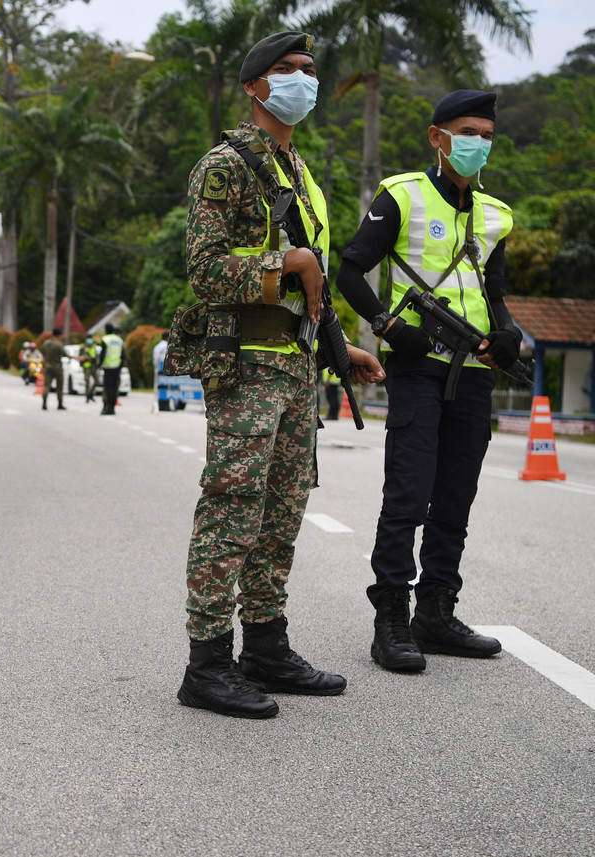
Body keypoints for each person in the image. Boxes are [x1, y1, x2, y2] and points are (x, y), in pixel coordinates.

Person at [176, 31, 386, 719]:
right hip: (244, 364)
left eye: (310, 70)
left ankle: (265, 646)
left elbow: (314, 288)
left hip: (296, 369)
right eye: (288, 70)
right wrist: (283, 264)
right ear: (254, 87)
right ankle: (206, 662)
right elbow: (205, 272)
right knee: (232, 506)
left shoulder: (304, 176)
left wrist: (340, 348)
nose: (304, 79)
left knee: (281, 512)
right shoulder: (225, 166)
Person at [334, 89, 520, 673]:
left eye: (487, 135)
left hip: (474, 375)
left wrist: (508, 330)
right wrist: (388, 326)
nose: (478, 144)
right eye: (468, 132)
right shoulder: (402, 195)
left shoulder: (496, 214)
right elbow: (350, 270)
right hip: (419, 365)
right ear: (437, 137)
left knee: (456, 495)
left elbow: (495, 293)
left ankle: (436, 613)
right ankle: (390, 617)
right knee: (409, 493)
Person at [98, 323, 124, 415]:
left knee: (108, 389)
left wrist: (99, 365)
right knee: (114, 388)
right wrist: (120, 365)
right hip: (117, 367)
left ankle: (108, 408)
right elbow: (123, 355)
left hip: (108, 367)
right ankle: (112, 408)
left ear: (106, 330)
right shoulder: (119, 340)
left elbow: (103, 354)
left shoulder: (105, 339)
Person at [40, 329, 66, 410]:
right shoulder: (59, 344)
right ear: (58, 335)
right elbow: (64, 353)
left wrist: (43, 366)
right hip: (57, 367)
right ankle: (60, 404)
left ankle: (44, 402)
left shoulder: (46, 343)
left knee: (47, 385)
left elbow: (43, 356)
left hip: (48, 366)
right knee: (59, 386)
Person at [80, 336, 100, 402]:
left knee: (96, 381)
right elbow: (80, 357)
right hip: (86, 366)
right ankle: (88, 396)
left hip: (93, 366)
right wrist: (85, 359)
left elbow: (96, 356)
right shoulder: (83, 347)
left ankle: (90, 394)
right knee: (87, 381)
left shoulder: (94, 346)